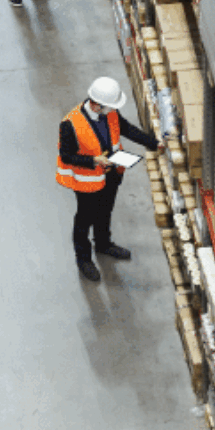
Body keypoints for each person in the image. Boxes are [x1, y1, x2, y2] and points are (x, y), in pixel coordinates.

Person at [58, 77, 161, 282]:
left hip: (112, 175)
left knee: (105, 211)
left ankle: (103, 244)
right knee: (84, 220)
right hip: (88, 182)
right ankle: (84, 259)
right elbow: (66, 156)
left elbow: (127, 129)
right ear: (96, 105)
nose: (112, 110)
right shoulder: (70, 124)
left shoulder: (110, 112)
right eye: (109, 107)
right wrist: (93, 160)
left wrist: (154, 143)